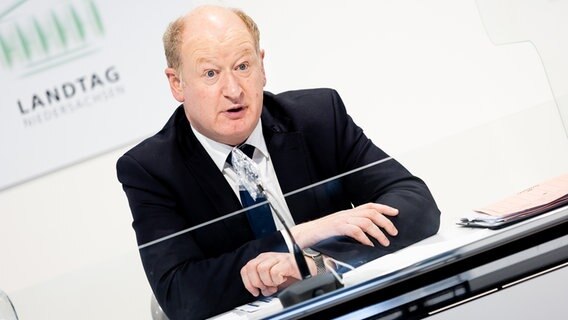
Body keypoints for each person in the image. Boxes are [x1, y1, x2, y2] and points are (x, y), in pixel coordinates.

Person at [116, 5, 440, 319]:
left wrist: (319, 264)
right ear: (177, 83)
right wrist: (300, 237)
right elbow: (180, 295)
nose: (233, 90)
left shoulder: (318, 117)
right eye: (211, 73)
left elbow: (416, 204)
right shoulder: (152, 169)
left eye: (243, 66)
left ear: (262, 66)